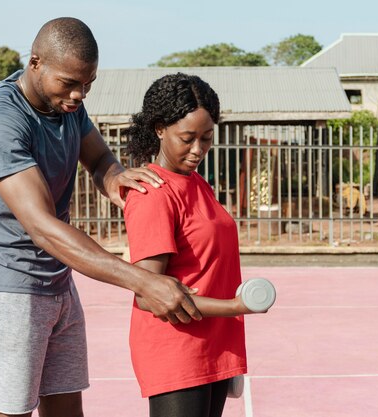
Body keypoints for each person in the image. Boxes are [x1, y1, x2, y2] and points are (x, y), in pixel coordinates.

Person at [0, 18, 201, 417]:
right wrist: (143, 281)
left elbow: (99, 158)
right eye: (70, 82)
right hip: (8, 288)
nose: (78, 94)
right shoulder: (0, 124)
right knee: (11, 410)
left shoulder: (66, 104)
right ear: (35, 63)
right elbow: (43, 228)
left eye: (88, 84)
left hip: (57, 281)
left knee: (67, 408)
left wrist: (117, 182)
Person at [124, 73, 265, 417]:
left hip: (215, 342)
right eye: (188, 138)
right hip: (177, 350)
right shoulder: (153, 194)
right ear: (159, 129)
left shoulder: (198, 183)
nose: (198, 149)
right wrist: (236, 306)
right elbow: (148, 294)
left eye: (207, 138)